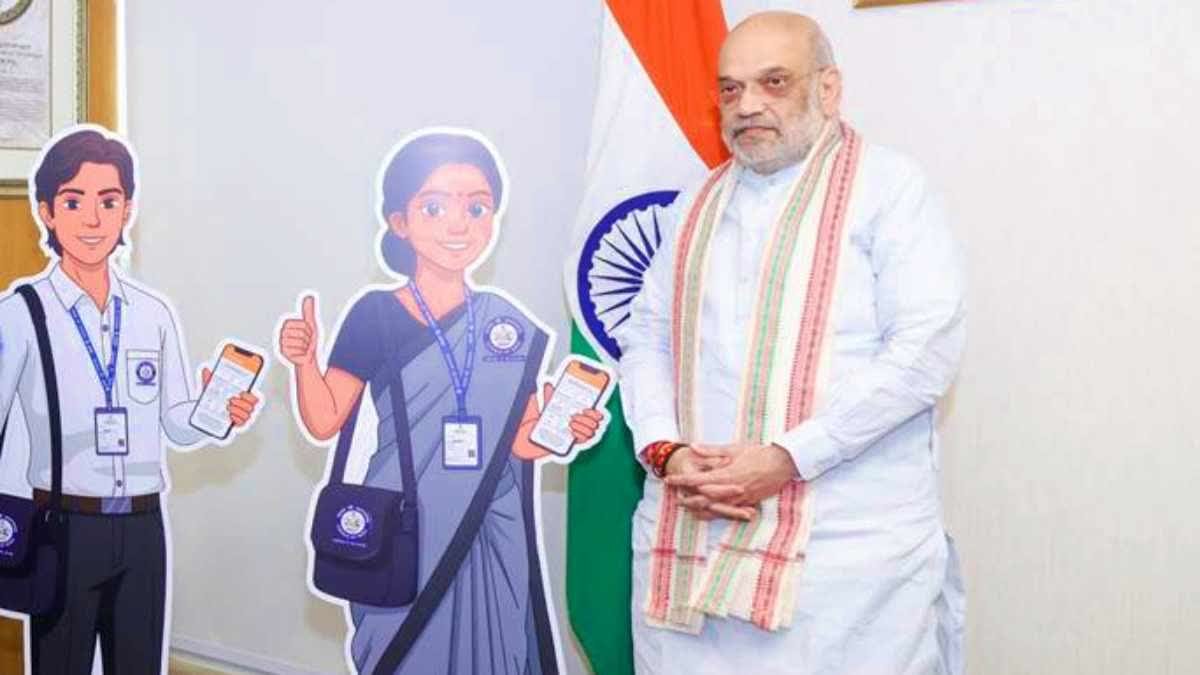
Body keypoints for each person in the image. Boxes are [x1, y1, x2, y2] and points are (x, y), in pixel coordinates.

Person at [616, 12, 966, 675]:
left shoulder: (890, 190)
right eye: (730, 88)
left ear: (828, 89)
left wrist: (788, 456)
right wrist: (667, 449)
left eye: (773, 82)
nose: (747, 105)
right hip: (694, 534)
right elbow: (647, 336)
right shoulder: (695, 203)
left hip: (844, 558)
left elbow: (926, 351)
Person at [277, 129, 605, 674]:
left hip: (489, 530)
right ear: (400, 222)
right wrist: (305, 362)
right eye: (434, 207)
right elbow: (324, 418)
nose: (459, 225)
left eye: (477, 208)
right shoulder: (375, 314)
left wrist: (561, 430)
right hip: (403, 528)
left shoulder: (506, 324)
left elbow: (520, 443)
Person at [0, 125, 260, 674]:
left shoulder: (151, 314)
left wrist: (217, 412)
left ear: (128, 210)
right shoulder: (21, 313)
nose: (92, 219)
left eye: (109, 201)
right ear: (47, 212)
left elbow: (176, 422)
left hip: (143, 528)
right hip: (62, 527)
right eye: (74, 202)